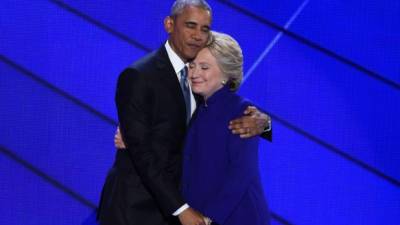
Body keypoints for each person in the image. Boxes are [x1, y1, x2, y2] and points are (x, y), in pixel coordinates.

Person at [98, 1, 271, 225]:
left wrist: (265, 124)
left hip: (191, 210)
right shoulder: (139, 76)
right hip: (139, 208)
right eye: (191, 25)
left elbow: (234, 130)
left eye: (205, 28)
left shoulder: (204, 86)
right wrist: (134, 138)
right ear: (170, 24)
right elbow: (143, 152)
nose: (198, 35)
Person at [181, 31, 270, 225]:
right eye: (192, 65)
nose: (194, 73)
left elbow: (242, 174)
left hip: (236, 217)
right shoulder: (195, 104)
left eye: (204, 67)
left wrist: (208, 218)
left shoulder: (243, 112)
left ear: (226, 75)